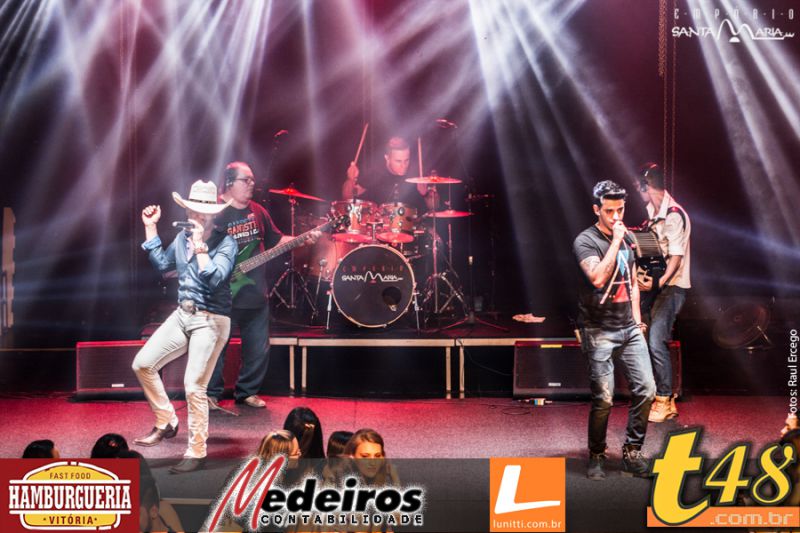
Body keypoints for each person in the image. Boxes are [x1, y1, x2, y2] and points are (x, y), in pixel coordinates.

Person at [132, 179, 237, 474]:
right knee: (143, 364)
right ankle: (167, 421)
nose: (195, 216)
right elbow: (164, 266)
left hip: (212, 319)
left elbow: (215, 278)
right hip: (183, 314)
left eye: (202, 212)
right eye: (192, 211)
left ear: (213, 215)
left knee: (194, 386)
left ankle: (196, 451)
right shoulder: (181, 238)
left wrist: (201, 247)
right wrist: (151, 228)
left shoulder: (226, 243)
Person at [208, 161, 318, 410]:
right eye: (245, 180)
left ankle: (247, 392)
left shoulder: (258, 211)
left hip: (255, 292)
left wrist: (303, 239)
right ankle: (211, 394)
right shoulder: (215, 212)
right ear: (229, 182)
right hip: (223, 294)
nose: (251, 185)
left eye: (252, 180)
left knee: (258, 348)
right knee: (215, 348)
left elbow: (276, 241)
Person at [573, 180, 656, 480]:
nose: (616, 216)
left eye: (620, 209)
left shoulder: (629, 238)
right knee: (604, 398)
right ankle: (597, 454)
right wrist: (616, 241)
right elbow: (597, 277)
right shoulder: (585, 240)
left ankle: (632, 452)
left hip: (628, 328)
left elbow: (631, 281)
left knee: (647, 390)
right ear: (597, 210)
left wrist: (638, 321)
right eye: (609, 211)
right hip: (598, 330)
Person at [636, 163, 691, 423]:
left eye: (638, 187)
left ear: (646, 185)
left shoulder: (673, 214)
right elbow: (655, 254)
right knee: (647, 338)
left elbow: (676, 258)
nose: (638, 192)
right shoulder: (652, 215)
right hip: (658, 287)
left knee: (657, 340)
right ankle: (663, 399)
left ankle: (664, 399)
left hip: (673, 287)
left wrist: (658, 283)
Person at [342, 136, 434, 211]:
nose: (403, 165)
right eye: (398, 161)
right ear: (387, 158)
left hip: (411, 225)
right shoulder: (375, 174)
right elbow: (347, 197)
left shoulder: (416, 173)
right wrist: (350, 179)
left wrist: (425, 194)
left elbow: (434, 207)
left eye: (406, 160)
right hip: (381, 225)